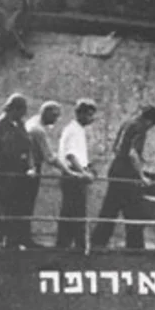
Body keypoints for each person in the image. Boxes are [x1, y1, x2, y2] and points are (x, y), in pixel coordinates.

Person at [91, 105, 155, 251]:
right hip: (128, 175)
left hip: (116, 170)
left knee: (109, 210)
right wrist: (141, 176)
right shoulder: (140, 128)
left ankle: (97, 244)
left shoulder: (127, 123)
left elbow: (116, 148)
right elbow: (132, 153)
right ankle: (135, 248)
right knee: (134, 213)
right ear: (150, 121)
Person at [0, 93, 33, 249]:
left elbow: (28, 147)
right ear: (13, 109)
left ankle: (12, 242)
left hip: (19, 175)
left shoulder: (20, 126)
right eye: (21, 111)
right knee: (1, 209)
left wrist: (30, 167)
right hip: (3, 174)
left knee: (16, 209)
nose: (22, 115)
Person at [22, 101, 68, 248]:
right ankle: (23, 239)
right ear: (45, 112)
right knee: (27, 204)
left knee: (25, 205)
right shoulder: (38, 130)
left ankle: (22, 238)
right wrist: (68, 171)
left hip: (28, 167)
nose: (56, 119)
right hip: (31, 169)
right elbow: (50, 157)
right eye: (54, 115)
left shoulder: (32, 123)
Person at [55, 99, 98, 251]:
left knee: (74, 212)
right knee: (73, 212)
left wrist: (88, 168)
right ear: (79, 113)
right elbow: (71, 155)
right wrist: (84, 173)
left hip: (76, 174)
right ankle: (69, 246)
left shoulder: (78, 130)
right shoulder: (73, 130)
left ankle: (71, 245)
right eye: (89, 115)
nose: (91, 118)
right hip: (73, 176)